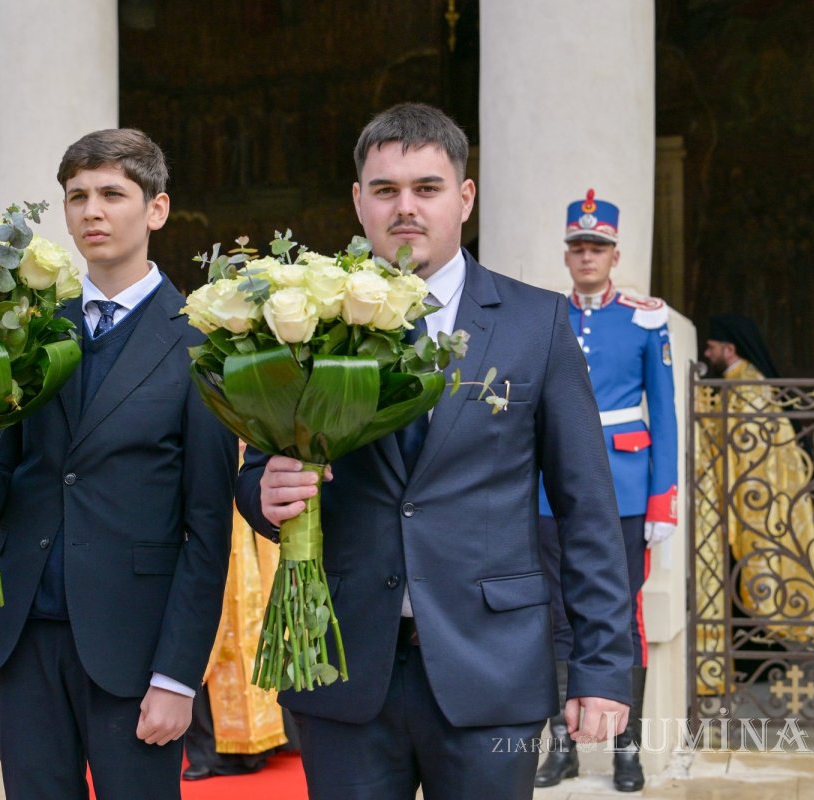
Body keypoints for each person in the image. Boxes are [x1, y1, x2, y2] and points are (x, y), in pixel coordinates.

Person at [235, 102, 633, 800]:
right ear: (358, 201)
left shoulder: (536, 323)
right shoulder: (303, 321)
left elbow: (587, 508)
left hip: (492, 669)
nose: (406, 208)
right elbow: (259, 472)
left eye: (427, 188)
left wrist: (602, 666)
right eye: (385, 190)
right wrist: (263, 494)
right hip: (343, 664)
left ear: (465, 198)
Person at [0, 128, 237, 800]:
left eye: (112, 194)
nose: (92, 211)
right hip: (23, 638)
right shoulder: (37, 330)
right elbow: (18, 485)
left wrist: (178, 677)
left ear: (156, 209)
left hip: (134, 651)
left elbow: (209, 531)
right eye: (77, 196)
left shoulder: (201, 342)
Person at [534, 190, 678, 792]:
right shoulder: (546, 317)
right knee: (553, 615)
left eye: (597, 247)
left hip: (624, 490)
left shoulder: (644, 319)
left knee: (622, 616)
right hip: (549, 492)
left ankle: (627, 750)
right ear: (567, 254)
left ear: (615, 255)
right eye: (578, 246)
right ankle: (562, 747)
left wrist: (663, 499)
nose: (587, 255)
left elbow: (663, 413)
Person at [695, 314, 814, 696]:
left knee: (755, 575)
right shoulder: (738, 382)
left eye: (711, 346)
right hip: (747, 498)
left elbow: (747, 451)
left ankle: (758, 658)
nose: (707, 353)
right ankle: (749, 657)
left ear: (729, 348)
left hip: (755, 502)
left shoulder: (748, 387)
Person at [183, 489, 288, 781]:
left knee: (252, 639)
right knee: (206, 648)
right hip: (210, 533)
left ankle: (253, 747)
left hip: (250, 544)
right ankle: (206, 752)